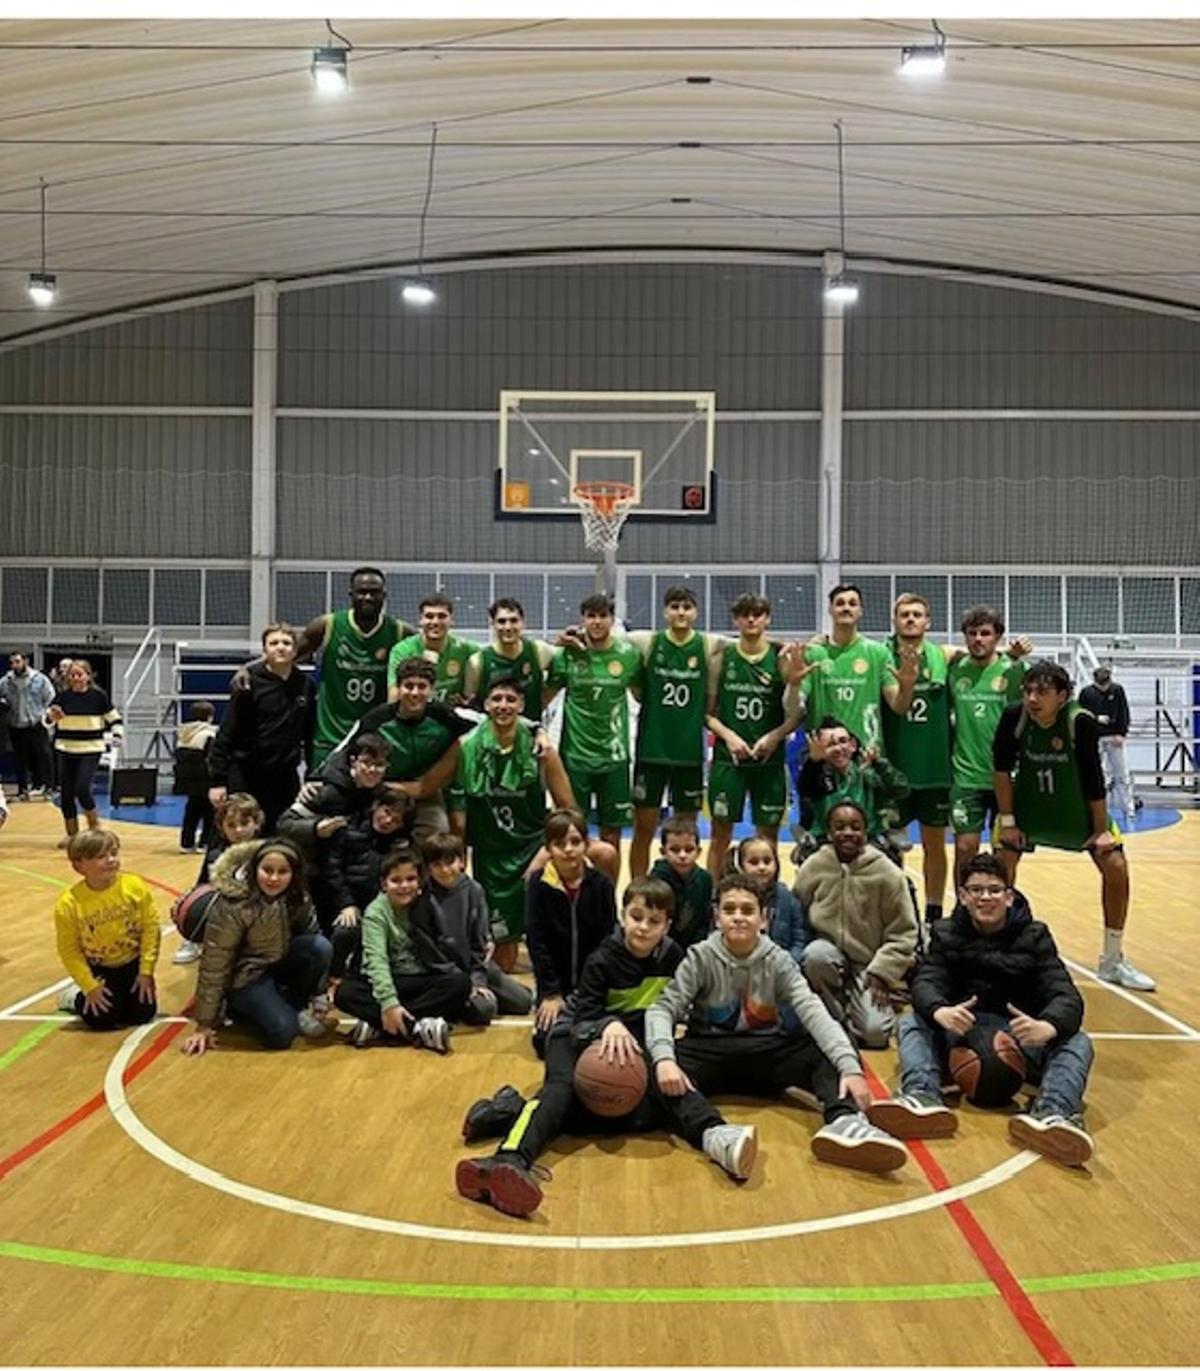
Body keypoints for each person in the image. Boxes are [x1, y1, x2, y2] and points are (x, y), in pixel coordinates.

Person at [456, 877, 700, 1218]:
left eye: (654, 921)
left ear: (667, 925)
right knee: (560, 1093)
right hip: (573, 1035)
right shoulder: (602, 959)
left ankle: (511, 1109)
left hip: (625, 1049)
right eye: (636, 917)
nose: (643, 927)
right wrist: (607, 1024)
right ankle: (507, 1158)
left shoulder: (673, 957)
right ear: (623, 916)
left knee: (633, 1112)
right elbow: (582, 1020)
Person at [646, 873, 908, 1177]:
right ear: (717, 917)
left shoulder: (778, 960)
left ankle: (845, 1122)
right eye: (729, 910)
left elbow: (813, 1011)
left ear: (764, 918)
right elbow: (663, 1009)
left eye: (747, 910)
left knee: (833, 1049)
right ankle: (715, 1136)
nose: (738, 917)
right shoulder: (700, 956)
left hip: (767, 1052)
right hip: (711, 1051)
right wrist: (664, 1059)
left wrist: (850, 1067)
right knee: (651, 1068)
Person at [868, 854, 1097, 1167]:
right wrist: (940, 1010)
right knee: (911, 1022)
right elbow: (926, 981)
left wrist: (1047, 1025)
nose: (985, 897)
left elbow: (1066, 994)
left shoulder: (1035, 935)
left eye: (994, 890)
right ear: (963, 896)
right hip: (962, 1036)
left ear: (1009, 896)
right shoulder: (946, 933)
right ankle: (921, 1097)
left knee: (1078, 1040)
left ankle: (1053, 1114)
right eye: (976, 890)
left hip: (1020, 1038)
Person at [993, 659, 1155, 992]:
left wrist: (1100, 830)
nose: (1032, 698)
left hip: (1075, 810)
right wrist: (1008, 821)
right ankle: (996, 952)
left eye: (1042, 692)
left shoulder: (1079, 721)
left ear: (1063, 696)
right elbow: (1001, 770)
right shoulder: (1014, 716)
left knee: (1116, 866)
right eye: (1028, 690)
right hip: (1029, 808)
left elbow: (1094, 778)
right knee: (998, 867)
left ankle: (1112, 960)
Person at [447, 674, 577, 966]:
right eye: (496, 699)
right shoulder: (466, 747)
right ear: (486, 705)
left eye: (510, 699)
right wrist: (459, 856)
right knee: (504, 958)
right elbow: (458, 815)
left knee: (603, 856)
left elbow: (570, 811)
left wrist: (547, 851)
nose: (503, 705)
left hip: (533, 849)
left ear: (521, 705)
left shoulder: (541, 750)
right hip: (491, 856)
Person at [235, 568, 413, 772]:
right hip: (330, 737)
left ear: (384, 595)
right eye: (362, 592)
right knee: (321, 791)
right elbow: (286, 656)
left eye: (374, 592)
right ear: (351, 595)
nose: (367, 597)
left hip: (375, 737)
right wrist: (247, 668)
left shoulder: (400, 631)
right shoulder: (327, 625)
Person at [180, 838, 332, 1056]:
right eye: (267, 870)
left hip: (277, 962)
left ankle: (293, 1004)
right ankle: (237, 1008)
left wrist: (320, 992)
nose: (274, 878)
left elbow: (313, 938)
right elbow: (214, 964)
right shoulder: (233, 905)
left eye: (282, 872)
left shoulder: (298, 896)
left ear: (294, 874)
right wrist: (204, 1024)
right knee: (283, 1034)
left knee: (320, 947)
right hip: (245, 976)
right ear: (254, 869)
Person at [793, 801, 918, 1047]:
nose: (848, 833)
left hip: (870, 964)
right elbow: (798, 915)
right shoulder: (815, 866)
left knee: (875, 1033)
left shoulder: (887, 873)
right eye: (839, 827)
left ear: (865, 832)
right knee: (816, 955)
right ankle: (835, 1015)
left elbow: (904, 933)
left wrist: (882, 972)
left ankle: (857, 1005)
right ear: (829, 833)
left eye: (855, 827)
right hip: (828, 958)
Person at [705, 592, 806, 879]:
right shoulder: (721, 658)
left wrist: (775, 736)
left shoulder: (781, 657)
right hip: (729, 759)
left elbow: (797, 713)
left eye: (757, 614)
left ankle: (767, 895)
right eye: (744, 614)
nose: (751, 619)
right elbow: (707, 713)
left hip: (769, 760)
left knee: (768, 837)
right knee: (720, 835)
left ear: (767, 619)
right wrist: (729, 737)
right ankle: (716, 896)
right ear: (735, 620)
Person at [333, 846, 470, 1051]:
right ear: (384, 884)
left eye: (411, 879)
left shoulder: (427, 904)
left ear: (419, 881)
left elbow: (444, 949)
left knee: (460, 984)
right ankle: (418, 1028)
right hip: (387, 979)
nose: (404, 886)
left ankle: (383, 1027)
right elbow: (377, 961)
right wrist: (390, 1004)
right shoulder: (376, 912)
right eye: (396, 880)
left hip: (420, 978)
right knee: (344, 993)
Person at [320, 658, 470, 843]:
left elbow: (478, 732)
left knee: (437, 834)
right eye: (409, 686)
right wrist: (317, 780)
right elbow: (342, 754)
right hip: (382, 792)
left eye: (422, 686)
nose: (415, 693)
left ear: (432, 690)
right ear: (398, 688)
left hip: (426, 796)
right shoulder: (376, 719)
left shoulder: (444, 717)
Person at [627, 585, 720, 877]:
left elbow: (747, 641)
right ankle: (638, 889)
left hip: (688, 751)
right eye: (675, 607)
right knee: (643, 828)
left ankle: (683, 888)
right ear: (665, 612)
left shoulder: (706, 644)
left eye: (687, 607)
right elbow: (609, 636)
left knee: (686, 832)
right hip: (652, 749)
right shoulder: (648, 642)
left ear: (696, 612)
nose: (681, 612)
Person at [544, 594, 643, 866]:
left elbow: (641, 694)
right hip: (575, 758)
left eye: (602, 616)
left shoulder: (629, 656)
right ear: (583, 619)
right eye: (591, 616)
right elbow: (543, 697)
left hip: (614, 758)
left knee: (612, 835)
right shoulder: (567, 655)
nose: (596, 622)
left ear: (612, 619)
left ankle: (607, 892)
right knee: (570, 833)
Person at [881, 594, 953, 921]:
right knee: (890, 849)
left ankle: (934, 915)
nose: (910, 619)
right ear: (894, 621)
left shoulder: (943, 657)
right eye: (904, 614)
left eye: (917, 614)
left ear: (928, 622)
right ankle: (896, 915)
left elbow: (981, 652)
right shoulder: (881, 656)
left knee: (934, 845)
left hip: (934, 768)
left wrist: (1012, 652)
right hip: (894, 768)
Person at [526, 807, 618, 1057]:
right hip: (556, 986)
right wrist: (550, 992)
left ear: (587, 844)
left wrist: (595, 988)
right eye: (559, 844)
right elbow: (537, 941)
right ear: (548, 848)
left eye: (575, 842)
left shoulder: (601, 884)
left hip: (593, 987)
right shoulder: (538, 885)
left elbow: (608, 940)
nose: (568, 849)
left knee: (595, 1044)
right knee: (545, 1045)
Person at [948, 605, 1031, 883]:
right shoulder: (955, 670)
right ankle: (963, 905)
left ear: (998, 636)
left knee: (1005, 853)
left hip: (1007, 778)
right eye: (972, 633)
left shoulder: (1016, 670)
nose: (978, 639)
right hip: (966, 777)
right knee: (964, 848)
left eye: (985, 633)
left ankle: (1002, 904)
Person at [208, 623, 316, 834]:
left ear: (295, 650)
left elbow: (310, 734)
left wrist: (311, 775)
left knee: (282, 835)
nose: (280, 647)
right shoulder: (247, 682)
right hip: (246, 774)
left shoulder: (305, 684)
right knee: (239, 834)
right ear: (265, 650)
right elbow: (227, 732)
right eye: (274, 643)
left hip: (284, 777)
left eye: (286, 643)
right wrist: (217, 781)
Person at [53, 829, 159, 1030]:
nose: (111, 860)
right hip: (100, 968)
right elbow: (69, 950)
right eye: (101, 856)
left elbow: (151, 928)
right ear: (79, 866)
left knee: (142, 1014)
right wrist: (89, 986)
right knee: (101, 1019)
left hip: (132, 964)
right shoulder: (69, 904)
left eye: (114, 853)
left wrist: (146, 971)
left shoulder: (134, 887)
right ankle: (75, 997)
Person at [423, 830, 531, 1020]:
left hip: (477, 966)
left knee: (524, 1002)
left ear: (462, 861)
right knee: (485, 1010)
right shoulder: (424, 898)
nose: (445, 870)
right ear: (428, 868)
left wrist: (478, 981)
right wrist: (465, 984)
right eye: (437, 865)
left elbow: (480, 943)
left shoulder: (474, 890)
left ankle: (484, 994)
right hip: (447, 975)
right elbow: (431, 954)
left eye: (449, 862)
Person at [320, 791, 415, 978]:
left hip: (380, 905)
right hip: (344, 901)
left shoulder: (402, 845)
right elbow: (331, 869)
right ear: (376, 806)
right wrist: (346, 903)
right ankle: (332, 977)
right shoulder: (347, 829)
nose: (387, 821)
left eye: (396, 820)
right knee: (347, 929)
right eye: (386, 812)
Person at [801, 584, 904, 755]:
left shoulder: (878, 652)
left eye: (852, 603)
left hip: (867, 755)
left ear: (860, 611)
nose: (846, 608)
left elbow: (898, 706)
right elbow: (795, 707)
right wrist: (793, 683)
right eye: (840, 603)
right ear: (830, 610)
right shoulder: (813, 653)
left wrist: (907, 685)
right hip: (824, 755)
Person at [172, 792, 265, 966]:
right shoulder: (216, 856)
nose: (238, 830)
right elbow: (202, 885)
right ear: (221, 828)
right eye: (231, 825)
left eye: (244, 823)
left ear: (257, 823)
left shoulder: (268, 854)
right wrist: (189, 907)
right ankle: (196, 940)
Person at [795, 717, 908, 856]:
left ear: (853, 745)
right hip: (826, 846)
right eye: (830, 744)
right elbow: (806, 789)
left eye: (843, 741)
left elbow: (900, 790)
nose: (838, 748)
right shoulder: (816, 776)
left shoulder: (868, 775)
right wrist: (813, 762)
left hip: (868, 845)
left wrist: (880, 765)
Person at [46, 659, 123, 848]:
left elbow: (115, 719)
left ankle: (95, 828)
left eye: (79, 674)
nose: (76, 678)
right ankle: (72, 834)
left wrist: (117, 735)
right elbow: (47, 721)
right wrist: (51, 718)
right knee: (66, 793)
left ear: (88, 676)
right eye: (72, 675)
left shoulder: (99, 697)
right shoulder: (62, 697)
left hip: (90, 748)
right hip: (65, 748)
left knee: (82, 788)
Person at [464, 597, 556, 722]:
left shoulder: (540, 651)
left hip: (531, 730)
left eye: (514, 620)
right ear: (492, 624)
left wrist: (545, 699)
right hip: (493, 732)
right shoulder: (477, 662)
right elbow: (470, 705)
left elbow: (562, 672)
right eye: (501, 621)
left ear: (523, 623)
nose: (508, 627)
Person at [387, 593, 475, 706]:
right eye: (429, 616)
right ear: (421, 620)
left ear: (451, 620)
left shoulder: (467, 650)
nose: (435, 622)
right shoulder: (402, 650)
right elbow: (393, 698)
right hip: (416, 713)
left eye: (442, 616)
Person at [732, 833, 804, 967]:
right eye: (754, 862)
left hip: (782, 968)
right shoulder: (731, 898)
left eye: (767, 861)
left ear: (776, 864)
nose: (762, 867)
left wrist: (789, 963)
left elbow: (800, 938)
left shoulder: (787, 898)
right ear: (741, 866)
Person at [1080, 666, 1137, 821]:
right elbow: (1081, 715)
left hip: (1114, 737)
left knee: (1122, 774)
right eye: (1100, 684)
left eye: (1106, 683)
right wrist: (1095, 719)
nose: (1104, 687)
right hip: (1094, 738)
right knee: (1095, 775)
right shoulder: (1086, 693)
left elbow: (1124, 712)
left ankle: (1129, 809)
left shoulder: (1117, 690)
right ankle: (1095, 810)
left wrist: (1122, 734)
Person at [650, 814, 713, 950]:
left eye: (689, 849)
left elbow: (705, 920)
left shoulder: (705, 879)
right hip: (661, 947)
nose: (682, 855)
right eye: (675, 850)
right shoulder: (656, 879)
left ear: (699, 851)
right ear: (663, 851)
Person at [0, 650, 55, 798]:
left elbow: (50, 698)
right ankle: (23, 789)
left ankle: (49, 787)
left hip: (36, 723)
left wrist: (46, 716)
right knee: (20, 759)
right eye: (12, 663)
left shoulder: (39, 679)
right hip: (16, 724)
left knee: (44, 755)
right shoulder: (6, 681)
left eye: (17, 662)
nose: (14, 665)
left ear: (25, 661)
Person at [174, 700, 218, 854]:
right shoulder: (209, 734)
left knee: (191, 811)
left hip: (186, 780)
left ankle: (186, 843)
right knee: (209, 813)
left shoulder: (183, 734)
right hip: (204, 780)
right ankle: (205, 842)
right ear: (210, 716)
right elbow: (212, 758)